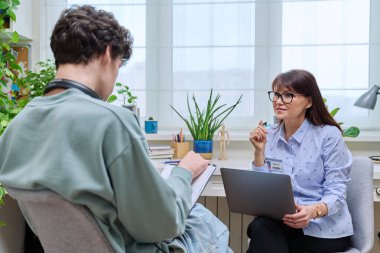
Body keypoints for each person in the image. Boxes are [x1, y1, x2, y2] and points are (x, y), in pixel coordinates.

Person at [0, 5, 231, 253]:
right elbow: (163, 225)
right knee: (206, 222)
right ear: (108, 54)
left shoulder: (15, 128)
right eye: (119, 67)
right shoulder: (112, 121)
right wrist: (183, 173)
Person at [247, 69, 353, 253]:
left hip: (322, 228)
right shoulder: (269, 135)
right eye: (277, 94)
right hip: (282, 223)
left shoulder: (328, 136)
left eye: (288, 95)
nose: (279, 101)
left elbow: (337, 192)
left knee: (262, 234)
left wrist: (312, 211)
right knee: (262, 227)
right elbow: (263, 191)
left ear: (309, 101)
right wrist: (259, 153)